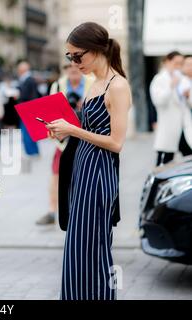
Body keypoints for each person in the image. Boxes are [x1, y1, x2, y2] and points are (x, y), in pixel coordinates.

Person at [46, 22, 132, 300]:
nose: (73, 62)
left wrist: (73, 129)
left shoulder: (117, 85)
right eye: (69, 57)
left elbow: (116, 143)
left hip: (99, 173)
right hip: (82, 170)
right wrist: (61, 130)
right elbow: (87, 130)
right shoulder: (94, 83)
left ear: (95, 50)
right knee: (77, 249)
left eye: (77, 56)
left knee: (94, 251)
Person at [36, 65, 93, 226]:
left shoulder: (92, 82)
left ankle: (83, 210)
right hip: (63, 140)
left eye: (75, 65)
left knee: (84, 175)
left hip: (85, 137)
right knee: (56, 174)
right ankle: (52, 211)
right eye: (68, 66)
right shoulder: (58, 85)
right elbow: (49, 111)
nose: (72, 69)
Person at [150, 51, 192, 166]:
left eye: (181, 63)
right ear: (167, 62)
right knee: (163, 165)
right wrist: (171, 86)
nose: (178, 66)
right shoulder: (159, 79)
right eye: (176, 63)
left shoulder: (183, 80)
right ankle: (155, 184)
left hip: (184, 127)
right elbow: (158, 101)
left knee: (189, 159)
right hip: (168, 128)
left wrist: (188, 96)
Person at [17, 61, 40, 157]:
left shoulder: (28, 80)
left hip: (27, 108)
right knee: (29, 131)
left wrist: (18, 95)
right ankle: (32, 151)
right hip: (29, 108)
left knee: (27, 131)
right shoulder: (29, 79)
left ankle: (31, 152)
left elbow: (26, 95)